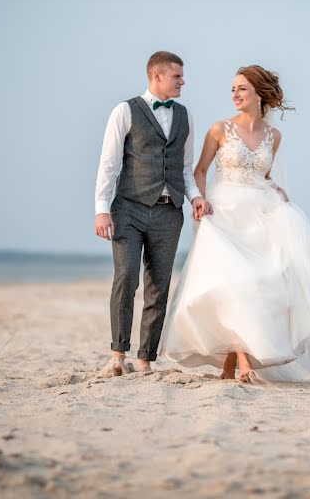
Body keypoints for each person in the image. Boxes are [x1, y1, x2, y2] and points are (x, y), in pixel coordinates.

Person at [159, 65, 310, 382]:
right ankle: (243, 361)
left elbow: (265, 175)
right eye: (233, 89)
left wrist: (275, 188)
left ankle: (232, 365)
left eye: (242, 88)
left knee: (262, 283)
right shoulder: (219, 129)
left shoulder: (275, 136)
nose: (235, 94)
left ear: (259, 92)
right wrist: (199, 201)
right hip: (223, 213)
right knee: (235, 283)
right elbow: (200, 170)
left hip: (260, 215)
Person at [94, 51, 212, 376]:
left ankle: (145, 360)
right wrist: (101, 210)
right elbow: (109, 163)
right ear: (157, 76)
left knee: (158, 286)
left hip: (169, 212)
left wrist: (196, 197)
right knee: (126, 277)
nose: (183, 81)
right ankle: (118, 355)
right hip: (128, 209)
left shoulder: (185, 115)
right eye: (177, 76)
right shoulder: (124, 110)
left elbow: (185, 167)